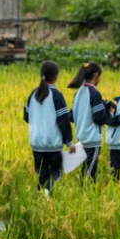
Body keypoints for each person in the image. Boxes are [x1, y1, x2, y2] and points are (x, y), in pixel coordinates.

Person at [24, 61, 72, 200]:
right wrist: (69, 143)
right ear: (56, 77)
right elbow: (63, 120)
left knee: (41, 172)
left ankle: (40, 197)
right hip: (52, 142)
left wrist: (38, 125)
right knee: (56, 172)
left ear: (41, 75)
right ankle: (47, 193)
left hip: (36, 142)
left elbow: (26, 116)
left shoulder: (33, 94)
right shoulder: (56, 95)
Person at [67, 62, 108, 181]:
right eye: (100, 76)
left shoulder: (78, 93)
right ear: (96, 75)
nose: (100, 79)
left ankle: (82, 194)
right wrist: (108, 111)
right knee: (90, 173)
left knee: (85, 170)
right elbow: (99, 118)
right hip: (92, 139)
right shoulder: (94, 93)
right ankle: (87, 194)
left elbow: (71, 117)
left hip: (81, 138)